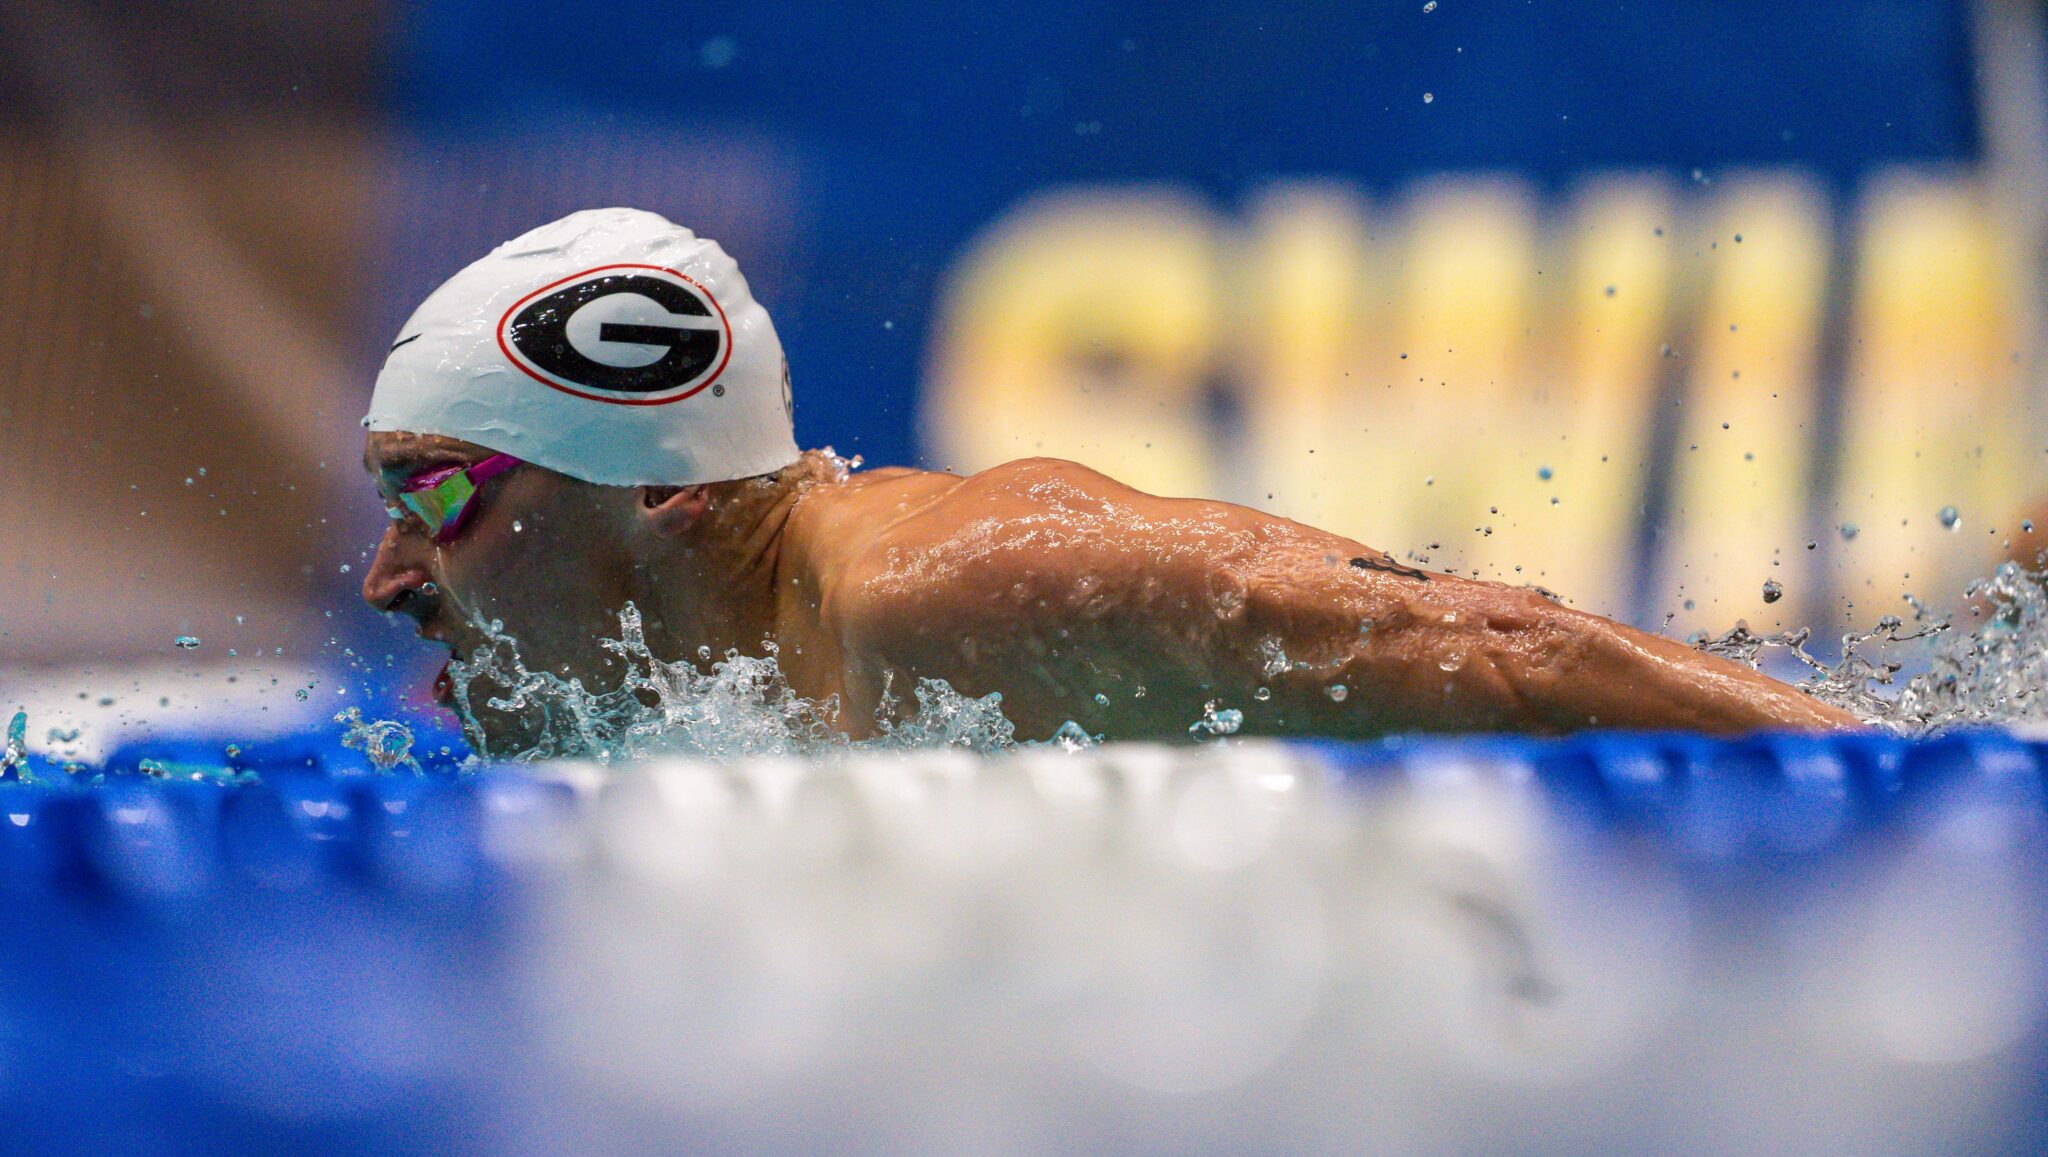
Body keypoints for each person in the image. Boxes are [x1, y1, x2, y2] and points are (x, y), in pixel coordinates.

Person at [362, 208, 1856, 754]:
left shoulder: (955, 586)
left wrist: (1910, 777)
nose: (384, 572)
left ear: (663, 489)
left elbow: (1501, 645)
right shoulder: (721, 694)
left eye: (437, 496)